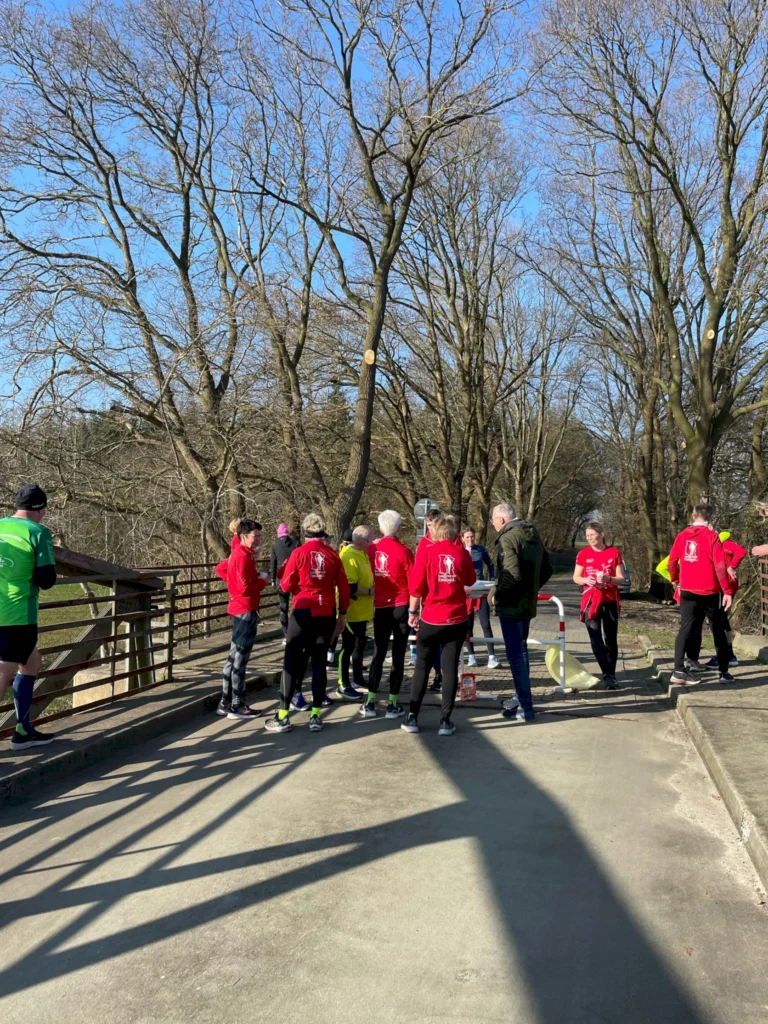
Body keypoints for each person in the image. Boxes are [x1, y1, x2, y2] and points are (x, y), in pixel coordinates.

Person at [266, 513, 350, 733]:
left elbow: (284, 585)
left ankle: (283, 715)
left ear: (304, 532)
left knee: (291, 661)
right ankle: (315, 715)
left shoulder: (299, 553)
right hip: (326, 611)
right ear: (323, 532)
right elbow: (344, 587)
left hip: (303, 610)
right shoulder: (332, 554)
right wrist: (342, 615)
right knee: (320, 661)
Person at [402, 513, 476, 736]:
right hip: (456, 617)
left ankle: (413, 715)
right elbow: (471, 581)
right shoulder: (461, 553)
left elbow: (416, 588)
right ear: (453, 534)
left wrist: (412, 612)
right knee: (450, 667)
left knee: (422, 666)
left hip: (431, 617)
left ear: (435, 532)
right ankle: (445, 719)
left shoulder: (427, 552)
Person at [0, 484, 57, 750]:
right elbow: (46, 580)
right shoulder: (38, 532)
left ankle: (22, 730)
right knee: (4, 672)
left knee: (32, 661)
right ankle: (21, 732)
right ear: (41, 509)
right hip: (16, 614)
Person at [490, 502, 552, 723]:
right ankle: (521, 698)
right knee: (522, 652)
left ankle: (525, 706)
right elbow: (547, 568)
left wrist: (496, 594)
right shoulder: (533, 533)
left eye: (493, 520)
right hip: (527, 604)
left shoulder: (508, 538)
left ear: (502, 520)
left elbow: (511, 574)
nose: (493, 524)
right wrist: (532, 589)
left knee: (516, 655)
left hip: (512, 605)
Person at [668, 505, 735, 686]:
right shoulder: (712, 537)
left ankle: (678, 670)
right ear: (711, 518)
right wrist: (727, 591)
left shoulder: (682, 535)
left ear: (693, 515)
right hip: (709, 591)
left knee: (686, 629)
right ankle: (723, 671)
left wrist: (677, 580)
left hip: (688, 589)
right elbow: (720, 567)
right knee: (717, 629)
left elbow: (672, 562)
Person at [215, 519, 269, 719]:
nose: (258, 540)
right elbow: (245, 588)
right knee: (240, 657)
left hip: (240, 607)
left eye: (260, 536)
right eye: (256, 537)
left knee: (234, 654)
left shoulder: (240, 554)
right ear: (244, 536)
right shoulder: (242, 556)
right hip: (245, 609)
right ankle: (237, 704)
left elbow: (221, 569)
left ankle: (225, 701)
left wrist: (234, 583)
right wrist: (262, 581)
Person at [363, 510, 414, 720]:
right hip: (401, 605)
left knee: (379, 652)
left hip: (381, 607)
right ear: (399, 528)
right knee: (398, 655)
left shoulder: (371, 549)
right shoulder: (405, 551)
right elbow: (415, 584)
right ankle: (392, 704)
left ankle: (370, 701)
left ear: (380, 527)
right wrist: (414, 610)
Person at [573, 522, 625, 689]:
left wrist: (608, 579)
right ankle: (605, 671)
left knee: (610, 638)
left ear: (601, 534)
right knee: (595, 639)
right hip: (591, 601)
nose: (589, 538)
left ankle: (611, 674)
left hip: (610, 600)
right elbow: (576, 577)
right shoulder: (583, 554)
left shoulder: (614, 552)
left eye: (592, 535)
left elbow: (621, 578)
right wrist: (586, 580)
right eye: (587, 536)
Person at [337, 526, 374, 701]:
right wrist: (370, 592)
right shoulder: (348, 556)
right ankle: (343, 683)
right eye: (372, 540)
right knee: (348, 646)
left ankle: (358, 678)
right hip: (351, 610)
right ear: (364, 542)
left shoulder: (362, 552)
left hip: (362, 611)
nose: (373, 543)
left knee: (359, 645)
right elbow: (350, 587)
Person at [461, 527, 498, 669]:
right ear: (463, 538)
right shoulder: (460, 551)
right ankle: (471, 656)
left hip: (481, 588)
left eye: (472, 536)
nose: (470, 539)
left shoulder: (481, 549)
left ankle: (492, 657)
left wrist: (492, 581)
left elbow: (490, 564)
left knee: (485, 624)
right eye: (468, 537)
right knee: (467, 625)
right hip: (467, 591)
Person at [270, 524, 300, 643]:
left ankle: (286, 634)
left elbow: (273, 564)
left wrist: (272, 579)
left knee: (283, 606)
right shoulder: (296, 543)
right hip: (295, 579)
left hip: (281, 579)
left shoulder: (275, 546)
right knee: (296, 605)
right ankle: (296, 631)